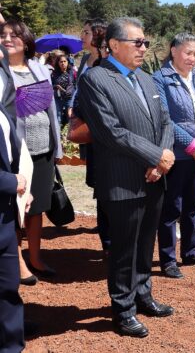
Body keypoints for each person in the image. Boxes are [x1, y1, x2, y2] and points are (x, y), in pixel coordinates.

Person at [77, 17, 176, 338]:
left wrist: (161, 159)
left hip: (154, 177)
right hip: (122, 181)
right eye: (138, 43)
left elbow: (165, 123)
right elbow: (111, 132)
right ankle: (123, 310)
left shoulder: (147, 79)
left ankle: (143, 294)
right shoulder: (95, 80)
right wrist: (154, 156)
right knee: (123, 250)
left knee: (147, 242)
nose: (144, 48)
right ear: (114, 46)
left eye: (146, 43)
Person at [1, 19, 63, 285]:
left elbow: (51, 110)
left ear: (26, 41)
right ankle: (18, 264)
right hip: (17, 152)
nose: (7, 39)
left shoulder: (39, 68)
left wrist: (57, 146)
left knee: (36, 208)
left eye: (14, 35)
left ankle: (36, 257)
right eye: (2, 35)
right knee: (15, 209)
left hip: (44, 147)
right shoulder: (2, 71)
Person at [153, 33, 195, 280]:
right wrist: (192, 146)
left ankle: (190, 251)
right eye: (188, 53)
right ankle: (168, 259)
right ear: (173, 51)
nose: (192, 58)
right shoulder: (160, 79)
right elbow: (164, 119)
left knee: (192, 206)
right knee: (171, 209)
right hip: (176, 155)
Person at [74, 18, 110, 253]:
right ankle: (106, 239)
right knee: (98, 184)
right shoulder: (85, 60)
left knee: (107, 185)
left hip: (105, 132)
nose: (81, 36)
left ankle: (109, 240)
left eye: (86, 32)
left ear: (97, 34)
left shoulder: (108, 62)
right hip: (88, 129)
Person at [0, 100, 29, 353]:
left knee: (9, 286)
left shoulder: (1, 108)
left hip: (5, 215)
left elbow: (11, 155)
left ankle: (11, 345)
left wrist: (23, 191)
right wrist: (12, 182)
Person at [51, 55, 75, 128]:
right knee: (58, 116)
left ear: (68, 62)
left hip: (69, 98)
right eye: (61, 61)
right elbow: (51, 84)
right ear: (58, 63)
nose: (63, 63)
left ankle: (69, 134)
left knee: (70, 116)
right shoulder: (54, 74)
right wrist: (55, 86)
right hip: (58, 98)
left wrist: (64, 89)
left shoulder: (72, 72)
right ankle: (58, 134)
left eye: (65, 61)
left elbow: (75, 84)